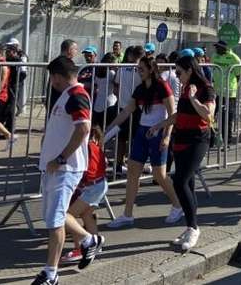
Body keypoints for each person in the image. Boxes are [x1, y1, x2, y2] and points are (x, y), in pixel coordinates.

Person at [31, 56, 103, 285]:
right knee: (55, 217)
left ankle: (50, 274)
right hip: (55, 169)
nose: (51, 83)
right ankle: (88, 240)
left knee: (54, 222)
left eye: (52, 78)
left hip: (65, 169)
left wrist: (61, 158)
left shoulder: (77, 95)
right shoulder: (68, 95)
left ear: (58, 76)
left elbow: (83, 129)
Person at [144, 56, 215, 251]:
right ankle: (190, 226)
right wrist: (159, 125)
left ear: (189, 70)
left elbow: (208, 114)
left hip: (197, 140)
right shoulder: (185, 88)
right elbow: (179, 114)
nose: (177, 76)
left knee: (180, 180)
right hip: (181, 139)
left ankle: (193, 228)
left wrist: (193, 98)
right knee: (188, 184)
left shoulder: (205, 88)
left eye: (179, 72)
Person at [106, 56, 183, 227]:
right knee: (133, 172)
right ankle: (127, 214)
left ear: (150, 69)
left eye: (141, 68)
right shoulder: (140, 89)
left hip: (158, 132)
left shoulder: (163, 87)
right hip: (142, 132)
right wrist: (108, 128)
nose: (138, 71)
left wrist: (166, 136)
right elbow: (126, 111)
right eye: (138, 68)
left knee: (159, 175)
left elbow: (172, 114)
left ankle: (178, 205)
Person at [60, 127, 108, 265]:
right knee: (87, 215)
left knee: (69, 216)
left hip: (92, 187)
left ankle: (79, 249)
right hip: (100, 184)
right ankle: (96, 245)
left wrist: (79, 182)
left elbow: (88, 170)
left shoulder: (86, 148)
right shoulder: (95, 146)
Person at [112, 45, 145, 173]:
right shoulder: (142, 70)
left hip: (122, 106)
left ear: (131, 56)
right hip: (137, 108)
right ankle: (133, 165)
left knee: (121, 138)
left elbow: (116, 86)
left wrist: (121, 96)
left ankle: (118, 164)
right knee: (135, 139)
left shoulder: (122, 68)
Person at [212, 40, 241, 142]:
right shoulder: (214, 56)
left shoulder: (235, 59)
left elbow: (238, 75)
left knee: (227, 117)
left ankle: (227, 139)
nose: (216, 49)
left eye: (217, 47)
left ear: (223, 48)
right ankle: (212, 138)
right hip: (216, 92)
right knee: (211, 114)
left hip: (229, 93)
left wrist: (232, 87)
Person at [48, 39, 80, 113]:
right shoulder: (63, 63)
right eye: (75, 49)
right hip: (58, 99)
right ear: (69, 50)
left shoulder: (57, 61)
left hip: (56, 99)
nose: (76, 52)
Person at [91, 53, 118, 130]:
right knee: (108, 129)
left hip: (98, 105)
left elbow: (96, 86)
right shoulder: (112, 73)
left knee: (99, 130)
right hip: (109, 104)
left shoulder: (99, 73)